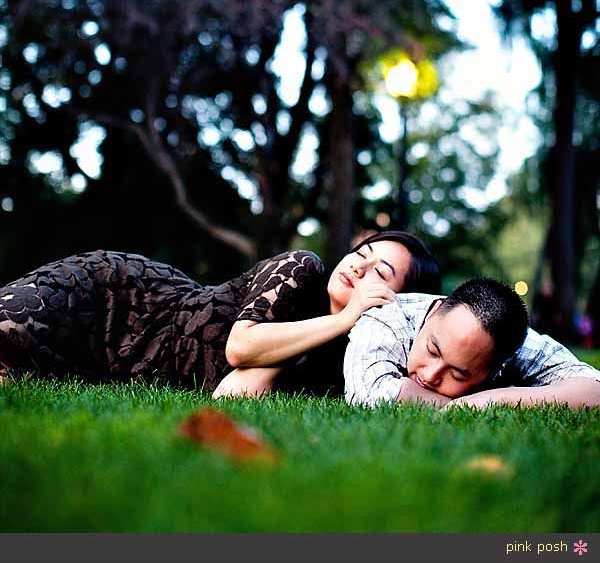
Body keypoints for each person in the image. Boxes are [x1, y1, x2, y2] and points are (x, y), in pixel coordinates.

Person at [0, 229, 440, 398]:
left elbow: (229, 398)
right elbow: (241, 346)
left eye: (379, 270)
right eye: (361, 251)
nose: (358, 264)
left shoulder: (347, 362)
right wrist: (344, 319)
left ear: (398, 301)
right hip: (122, 301)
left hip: (118, 366)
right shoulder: (301, 269)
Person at [344, 277, 600, 409]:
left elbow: (594, 389)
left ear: (492, 372)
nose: (430, 375)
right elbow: (370, 395)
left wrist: (491, 400)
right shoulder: (389, 316)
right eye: (433, 350)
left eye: (457, 373)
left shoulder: (514, 343)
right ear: (435, 311)